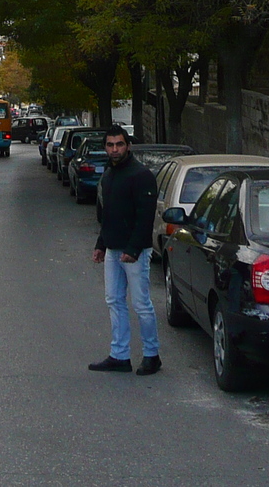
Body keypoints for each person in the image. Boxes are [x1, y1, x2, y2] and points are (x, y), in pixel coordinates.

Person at [89, 127, 161, 375]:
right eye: (110, 145)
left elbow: (145, 218)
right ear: (106, 147)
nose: (115, 149)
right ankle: (119, 355)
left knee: (141, 304)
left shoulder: (141, 176)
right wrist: (101, 244)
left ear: (128, 145)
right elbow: (108, 215)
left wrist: (133, 249)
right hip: (112, 249)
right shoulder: (109, 174)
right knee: (114, 301)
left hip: (135, 252)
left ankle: (152, 355)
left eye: (119, 144)